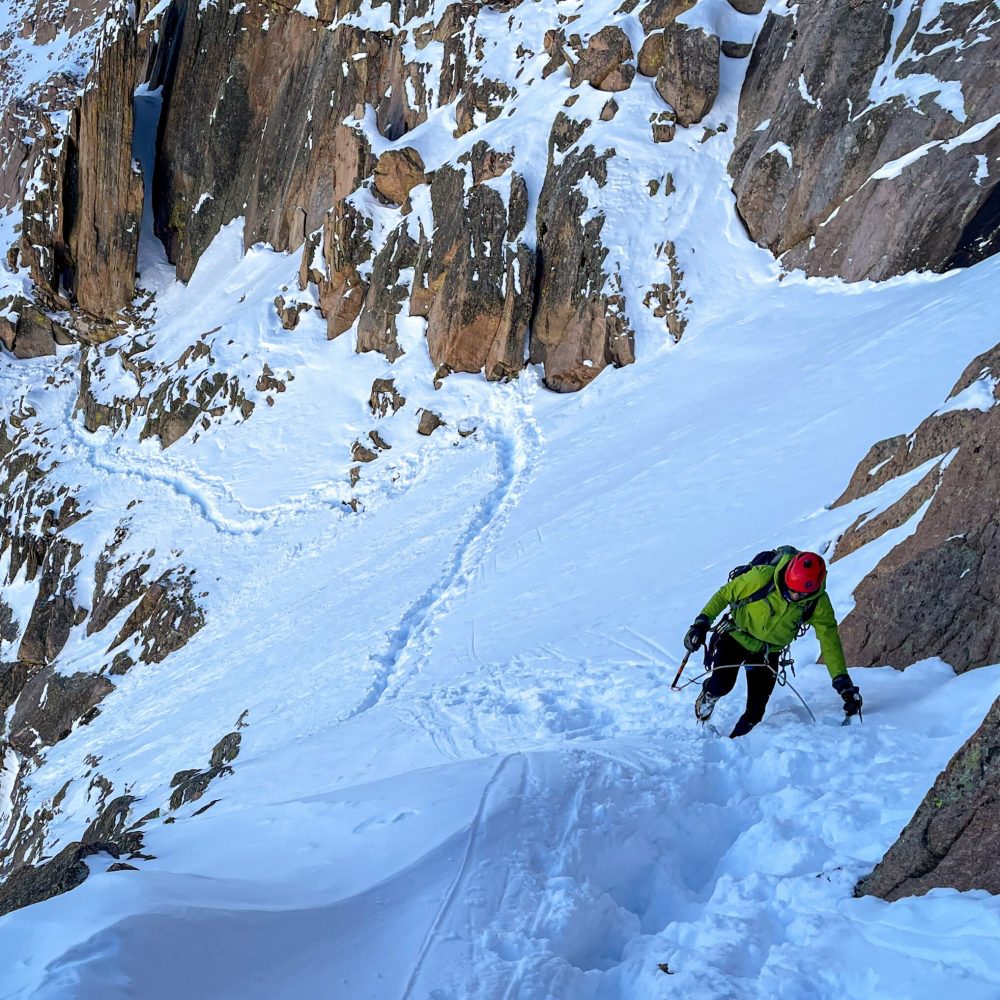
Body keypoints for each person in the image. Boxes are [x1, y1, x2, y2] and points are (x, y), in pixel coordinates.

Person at [683, 548, 862, 737]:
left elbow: (830, 641)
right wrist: (701, 623)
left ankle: (735, 744)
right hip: (736, 636)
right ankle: (709, 695)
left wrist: (843, 682)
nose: (793, 596)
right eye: (790, 590)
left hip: (768, 652)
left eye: (800, 594)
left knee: (755, 712)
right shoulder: (761, 578)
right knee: (721, 685)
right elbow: (724, 595)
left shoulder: (817, 603)